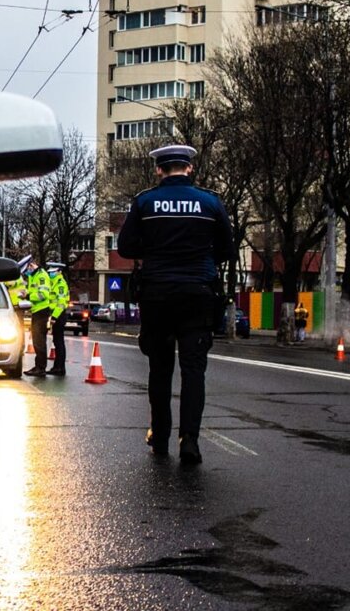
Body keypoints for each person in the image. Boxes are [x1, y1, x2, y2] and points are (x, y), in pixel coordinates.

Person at [117, 144, 233, 465]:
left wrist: (154, 248)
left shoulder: (145, 202)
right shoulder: (210, 202)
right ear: (189, 168)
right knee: (194, 370)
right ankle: (190, 441)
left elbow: (126, 246)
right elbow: (227, 248)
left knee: (160, 368)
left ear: (159, 169)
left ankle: (160, 435)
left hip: (157, 295)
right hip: (198, 293)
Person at [22, 259, 55, 377]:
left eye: (27, 270)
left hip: (42, 311)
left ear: (31, 266)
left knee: (39, 341)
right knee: (37, 340)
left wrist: (28, 295)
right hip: (37, 310)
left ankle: (40, 368)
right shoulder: (34, 276)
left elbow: (43, 294)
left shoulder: (41, 276)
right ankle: (39, 366)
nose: (26, 273)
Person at [47, 262, 70, 376]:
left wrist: (55, 317)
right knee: (57, 341)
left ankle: (60, 368)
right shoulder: (54, 283)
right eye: (50, 272)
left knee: (59, 342)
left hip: (59, 315)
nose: (51, 274)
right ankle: (57, 367)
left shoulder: (60, 285)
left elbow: (61, 304)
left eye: (53, 272)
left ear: (59, 272)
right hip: (56, 314)